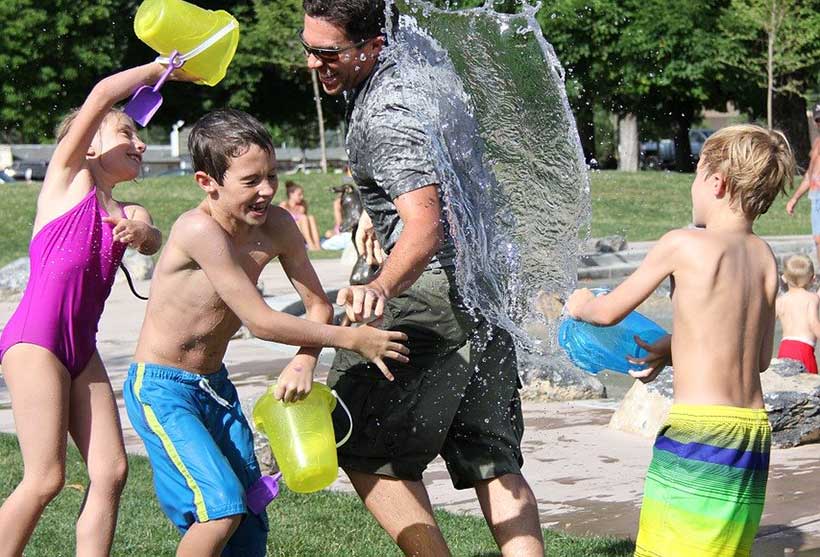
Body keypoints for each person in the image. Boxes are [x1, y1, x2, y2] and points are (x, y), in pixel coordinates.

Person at [300, 2, 544, 555]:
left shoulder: (385, 114)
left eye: (328, 52)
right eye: (308, 48)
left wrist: (381, 285)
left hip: (427, 292)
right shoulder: (422, 67)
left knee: (361, 446)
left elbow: (426, 225)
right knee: (491, 458)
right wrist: (373, 209)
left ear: (372, 46)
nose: (314, 63)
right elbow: (438, 175)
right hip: (487, 289)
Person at [122, 108, 408, 557]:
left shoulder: (277, 225)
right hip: (163, 389)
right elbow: (259, 320)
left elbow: (318, 304)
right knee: (220, 508)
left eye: (272, 175)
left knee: (250, 519)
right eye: (251, 180)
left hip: (215, 388)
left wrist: (305, 358)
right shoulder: (198, 229)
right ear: (207, 182)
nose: (267, 190)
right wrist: (352, 339)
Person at [566, 124, 795, 557]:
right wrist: (674, 346)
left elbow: (608, 310)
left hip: (700, 432)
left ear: (717, 182)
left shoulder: (683, 244)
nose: (692, 188)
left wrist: (579, 305)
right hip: (752, 435)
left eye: (695, 176)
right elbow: (759, 357)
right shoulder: (766, 258)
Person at [0, 63, 176, 555]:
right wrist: (159, 68)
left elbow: (150, 234)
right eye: (128, 134)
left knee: (112, 471)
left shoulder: (126, 211)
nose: (140, 144)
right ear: (91, 145)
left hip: (82, 351)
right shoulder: (66, 180)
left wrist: (146, 235)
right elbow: (101, 95)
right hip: (36, 342)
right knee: (45, 479)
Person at [785, 103, 820, 262]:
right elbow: (810, 175)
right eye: (818, 120)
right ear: (814, 121)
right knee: (818, 242)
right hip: (815, 197)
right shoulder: (817, 143)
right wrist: (794, 198)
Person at [775, 254, 820, 373]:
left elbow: (766, 323)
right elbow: (813, 324)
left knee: (787, 388)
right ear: (813, 278)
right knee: (810, 389)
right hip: (803, 350)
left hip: (784, 349)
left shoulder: (780, 301)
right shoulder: (812, 299)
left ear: (784, 277)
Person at [279, 180, 322, 250]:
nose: (302, 197)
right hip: (289, 232)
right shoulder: (284, 205)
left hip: (302, 232)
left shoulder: (303, 205)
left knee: (311, 217)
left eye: (302, 194)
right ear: (291, 194)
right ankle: (311, 245)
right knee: (303, 217)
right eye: (299, 194)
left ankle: (317, 245)